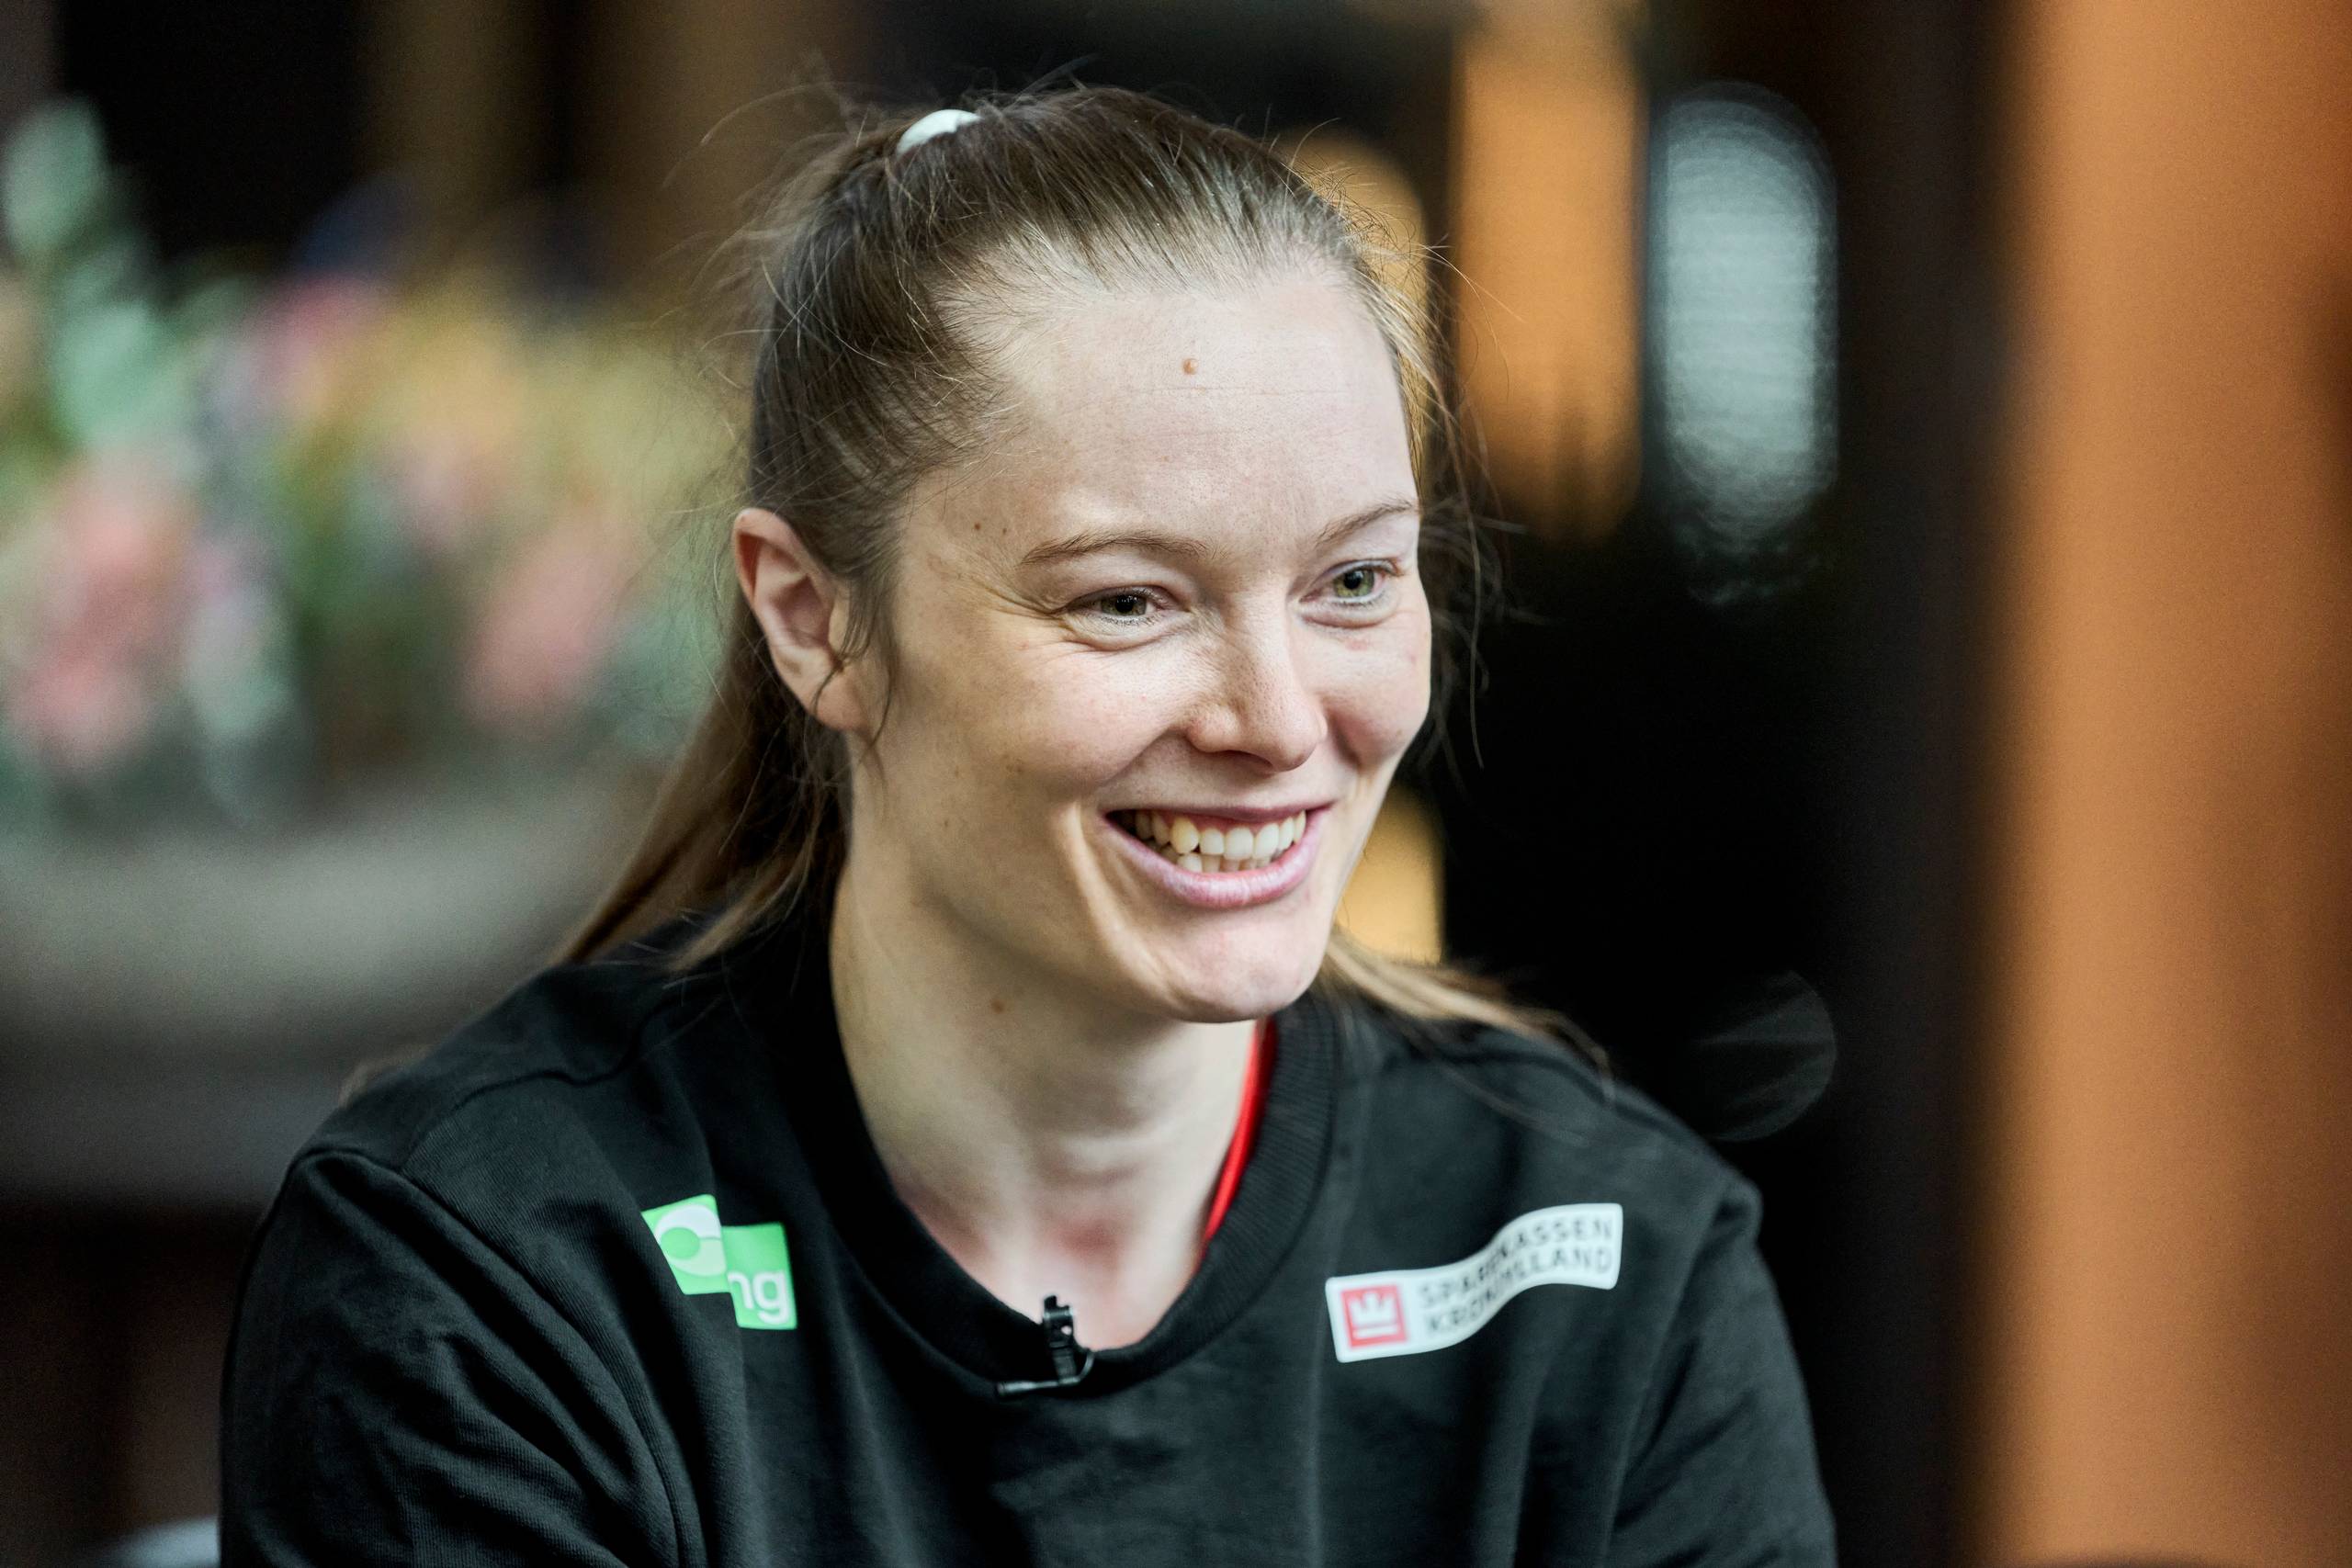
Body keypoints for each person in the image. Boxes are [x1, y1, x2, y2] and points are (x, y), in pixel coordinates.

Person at [219, 86, 1837, 1565]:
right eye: (1128, 600)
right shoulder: (489, 1271)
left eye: (1352, 581)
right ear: (815, 622)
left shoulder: (1607, 1267)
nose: (1279, 720)